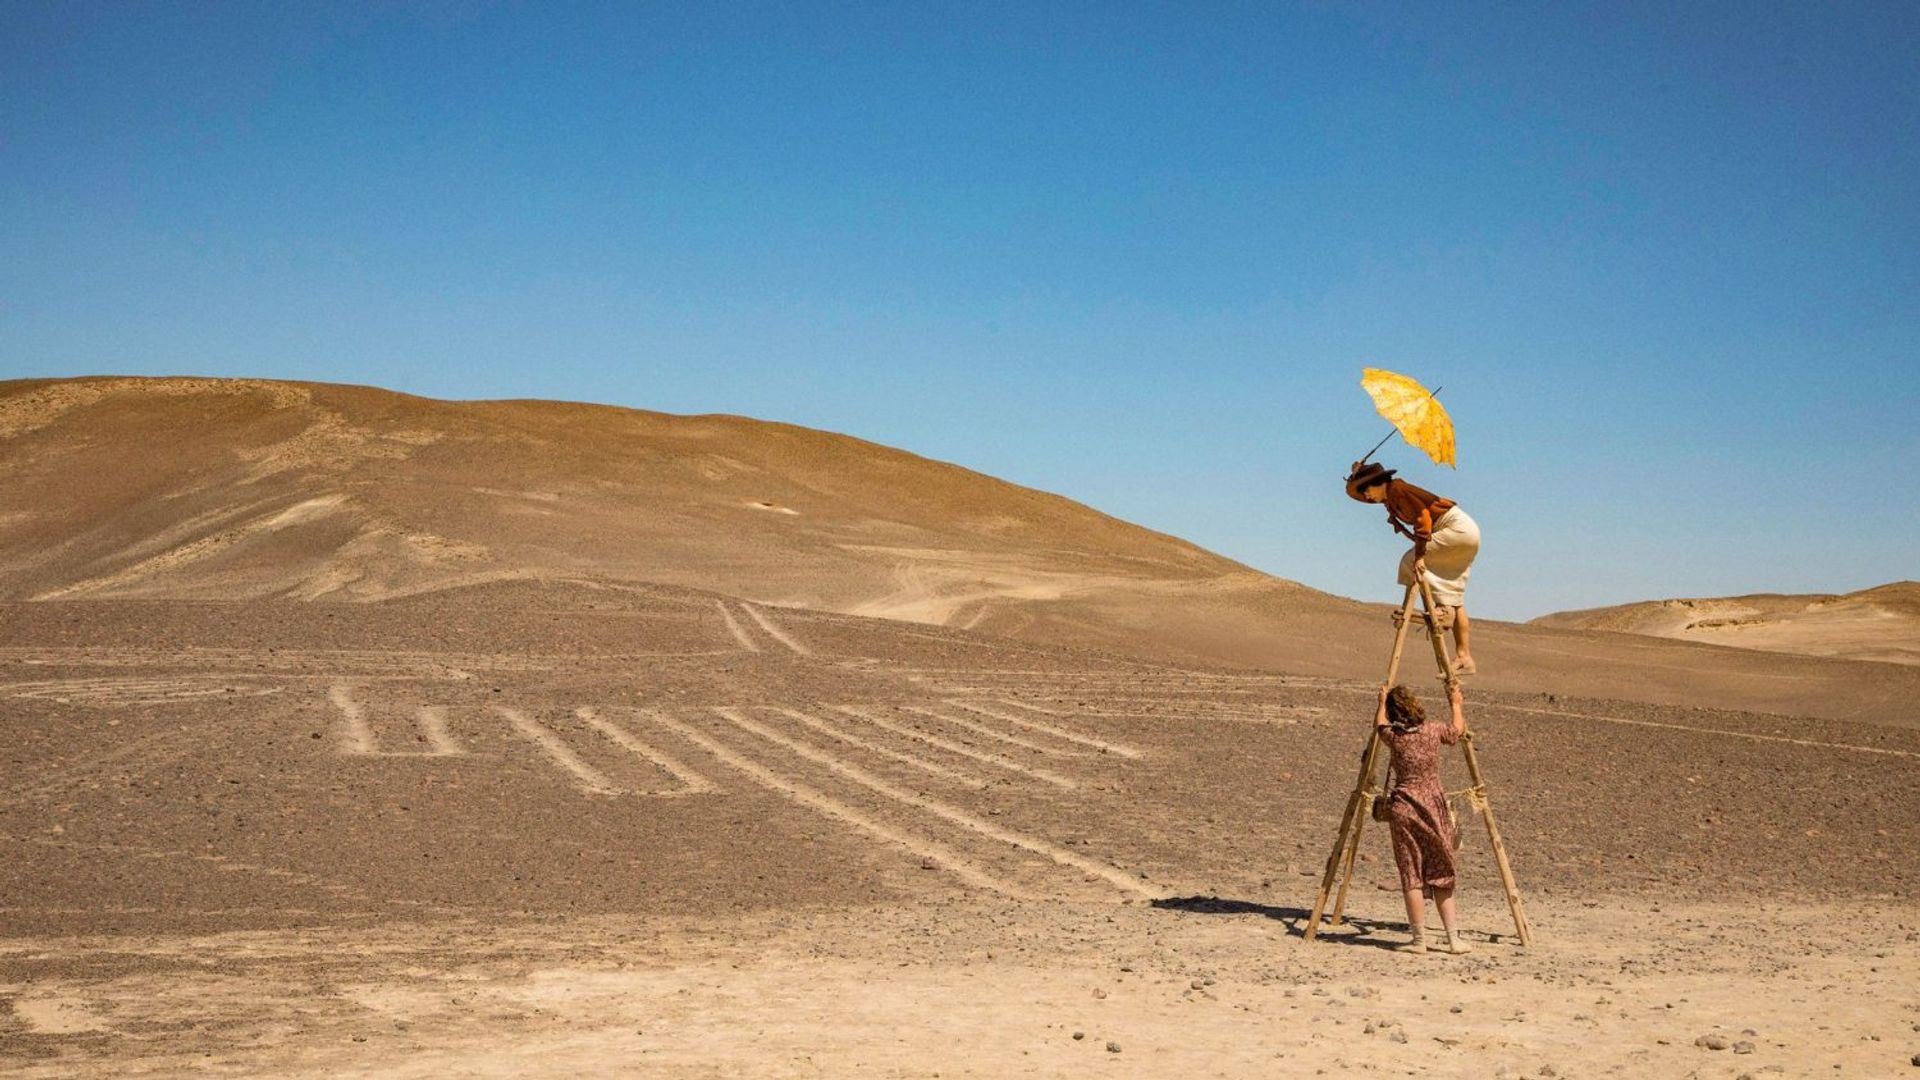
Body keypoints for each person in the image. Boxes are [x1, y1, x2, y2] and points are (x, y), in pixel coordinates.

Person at [1344, 461, 1481, 674]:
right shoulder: (1390, 497)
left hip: (1454, 528)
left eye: (1367, 490)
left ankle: (1432, 611)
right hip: (1467, 530)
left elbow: (1423, 520)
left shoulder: (1398, 490)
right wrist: (1356, 476)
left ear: (1379, 483)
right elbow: (1356, 494)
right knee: (1455, 597)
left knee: (1410, 562)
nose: (1366, 496)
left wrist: (1419, 555)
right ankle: (1465, 656)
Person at [1374, 682, 1471, 955]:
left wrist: (1381, 702)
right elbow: (1456, 732)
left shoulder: (1394, 737)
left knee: (1411, 871)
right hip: (1432, 807)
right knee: (1441, 869)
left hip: (1404, 809)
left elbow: (1379, 724)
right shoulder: (1432, 731)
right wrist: (1456, 703)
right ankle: (1453, 938)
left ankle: (1419, 940)